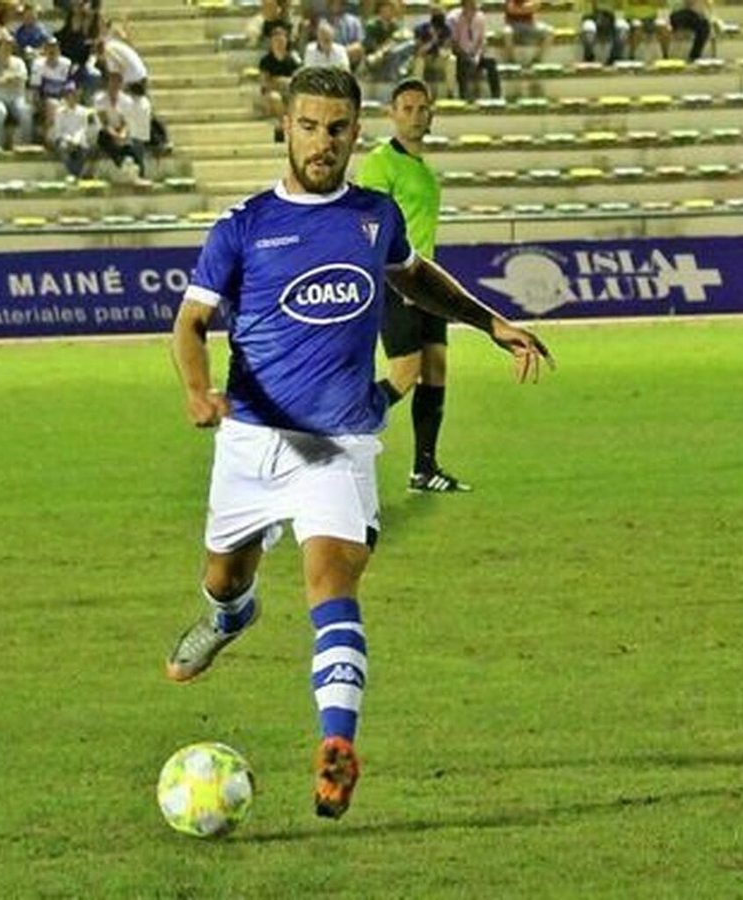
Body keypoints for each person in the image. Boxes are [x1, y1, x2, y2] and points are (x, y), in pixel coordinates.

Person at [163, 66, 551, 821]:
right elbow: (189, 323)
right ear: (287, 126)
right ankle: (230, 617)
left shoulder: (373, 216)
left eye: (337, 128)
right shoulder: (241, 225)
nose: (322, 142)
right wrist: (195, 390)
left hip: (336, 444)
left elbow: (415, 280)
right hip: (249, 439)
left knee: (330, 582)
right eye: (308, 126)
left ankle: (335, 746)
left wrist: (488, 320)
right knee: (223, 578)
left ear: (354, 131)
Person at [357, 79, 469, 492]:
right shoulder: (381, 162)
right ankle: (342, 431)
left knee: (436, 369)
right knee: (405, 372)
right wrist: (392, 273)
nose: (416, 116)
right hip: (397, 280)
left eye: (423, 109)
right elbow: (368, 226)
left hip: (427, 283)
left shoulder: (420, 168)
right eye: (407, 108)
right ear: (392, 113)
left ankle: (424, 469)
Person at [0, 35, 33, 149]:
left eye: (9, 46)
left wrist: (9, 78)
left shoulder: (18, 62)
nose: (7, 49)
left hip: (16, 98)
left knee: (25, 111)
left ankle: (26, 145)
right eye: (4, 46)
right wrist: (12, 79)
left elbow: (23, 77)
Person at [446, 0, 499, 101]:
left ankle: (496, 95)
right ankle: (464, 96)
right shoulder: (454, 18)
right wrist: (466, 56)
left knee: (491, 62)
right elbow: (453, 42)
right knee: (462, 64)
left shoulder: (480, 17)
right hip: (460, 53)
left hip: (475, 53)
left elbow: (482, 41)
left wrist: (477, 56)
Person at [257, 23, 300, 137]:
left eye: (282, 40)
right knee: (275, 98)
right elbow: (265, 83)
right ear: (271, 42)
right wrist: (281, 82)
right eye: (276, 40)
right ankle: (286, 125)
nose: (279, 43)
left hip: (288, 93)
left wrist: (279, 80)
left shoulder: (292, 60)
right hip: (271, 97)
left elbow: (297, 80)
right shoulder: (265, 61)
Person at [49, 82, 93, 178]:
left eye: (74, 95)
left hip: (79, 139)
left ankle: (74, 174)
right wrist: (69, 140)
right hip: (64, 139)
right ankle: (75, 174)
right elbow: (59, 130)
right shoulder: (60, 112)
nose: (72, 98)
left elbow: (83, 128)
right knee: (63, 149)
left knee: (84, 150)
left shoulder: (83, 112)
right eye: (70, 95)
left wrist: (76, 140)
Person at [501, 0, 552, 66]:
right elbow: (511, 9)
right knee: (507, 33)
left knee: (549, 31)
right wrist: (526, 8)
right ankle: (511, 60)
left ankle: (537, 59)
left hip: (530, 24)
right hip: (513, 25)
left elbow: (536, 5)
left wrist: (522, 8)